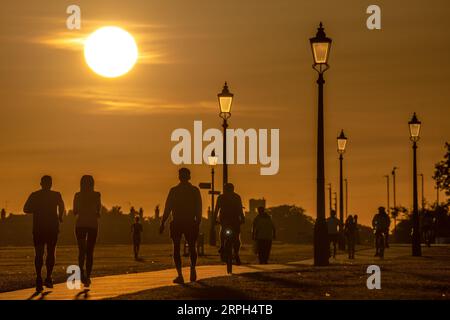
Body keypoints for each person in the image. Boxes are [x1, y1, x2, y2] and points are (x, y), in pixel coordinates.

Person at [160, 168, 202, 284]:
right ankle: (192, 269)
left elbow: (167, 208)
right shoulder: (194, 191)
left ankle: (180, 275)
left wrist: (163, 222)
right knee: (192, 246)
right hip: (189, 222)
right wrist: (198, 221)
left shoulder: (174, 191)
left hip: (178, 222)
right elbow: (199, 208)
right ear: (189, 177)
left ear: (180, 177)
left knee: (177, 248)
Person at [24, 175, 65, 292]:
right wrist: (60, 216)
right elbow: (61, 205)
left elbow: (26, 209)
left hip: (39, 228)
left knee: (39, 253)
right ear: (50, 184)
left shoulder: (35, 195)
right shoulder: (56, 195)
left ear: (41, 183)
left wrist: (37, 208)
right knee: (50, 252)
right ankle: (48, 277)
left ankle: (39, 278)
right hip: (51, 228)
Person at [73, 175, 101, 287]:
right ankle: (88, 276)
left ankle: (82, 273)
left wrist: (82, 210)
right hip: (93, 225)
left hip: (80, 224)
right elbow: (99, 211)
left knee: (81, 251)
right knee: (90, 252)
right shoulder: (96, 195)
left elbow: (75, 211)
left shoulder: (78, 195)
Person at [213, 183, 245, 265]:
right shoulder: (221, 197)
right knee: (224, 230)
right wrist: (214, 219)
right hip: (226, 219)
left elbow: (240, 208)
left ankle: (236, 253)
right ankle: (222, 245)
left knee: (236, 237)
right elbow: (217, 209)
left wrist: (242, 218)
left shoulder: (236, 197)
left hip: (233, 220)